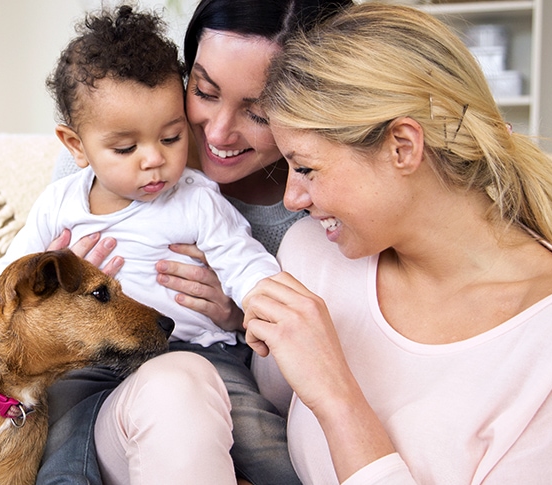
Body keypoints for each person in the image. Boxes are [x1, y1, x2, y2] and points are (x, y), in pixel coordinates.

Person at [240, 3, 552, 484]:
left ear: (402, 146)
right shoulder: (312, 256)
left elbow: (323, 401)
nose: (291, 197)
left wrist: (338, 397)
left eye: (305, 167)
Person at [38, 2, 350, 485]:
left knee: (260, 437)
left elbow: (253, 275)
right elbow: (9, 284)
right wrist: (54, 297)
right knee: (56, 438)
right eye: (203, 91)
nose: (219, 133)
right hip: (96, 359)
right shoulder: (81, 178)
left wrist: (241, 312)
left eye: (260, 113)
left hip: (204, 353)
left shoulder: (313, 212)